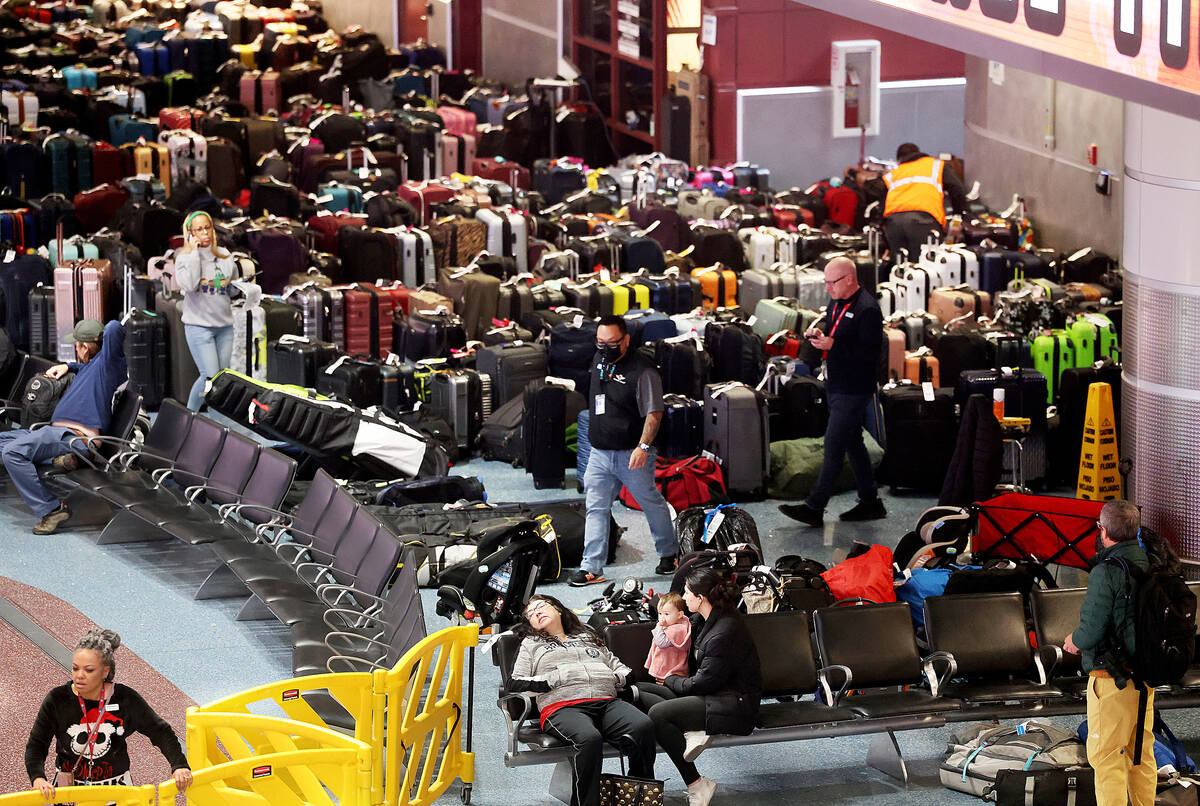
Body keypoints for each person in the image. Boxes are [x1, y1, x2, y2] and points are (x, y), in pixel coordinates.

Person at [509, 594, 656, 806]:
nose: (537, 613)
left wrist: (614, 677)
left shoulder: (588, 635)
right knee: (588, 738)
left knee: (642, 727)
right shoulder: (531, 644)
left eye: (541, 607)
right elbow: (516, 682)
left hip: (605, 701)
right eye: (531, 614)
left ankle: (637, 799)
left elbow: (623, 669)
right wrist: (553, 679)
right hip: (562, 707)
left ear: (558, 609)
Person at [635, 569, 762, 806]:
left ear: (700, 598)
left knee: (658, 714)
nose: (683, 596)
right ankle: (690, 729)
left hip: (734, 704)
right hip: (715, 694)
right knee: (641, 689)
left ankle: (696, 783)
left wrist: (671, 679)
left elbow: (704, 681)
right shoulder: (707, 618)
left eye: (687, 592)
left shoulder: (724, 631)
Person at [779, 256, 886, 526]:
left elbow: (869, 354)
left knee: (834, 445)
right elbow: (836, 328)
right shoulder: (838, 300)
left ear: (849, 279)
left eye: (832, 282)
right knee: (853, 443)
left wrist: (832, 345)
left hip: (855, 388)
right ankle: (871, 502)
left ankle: (814, 507)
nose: (828, 288)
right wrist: (820, 333)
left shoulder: (868, 309)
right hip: (836, 383)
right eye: (825, 282)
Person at [571, 315, 676, 586]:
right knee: (595, 508)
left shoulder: (643, 370)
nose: (605, 348)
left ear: (626, 340)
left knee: (650, 503)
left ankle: (669, 554)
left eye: (612, 343)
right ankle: (591, 567)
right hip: (600, 453)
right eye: (600, 342)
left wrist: (643, 447)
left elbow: (654, 413)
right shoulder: (598, 360)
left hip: (632, 454)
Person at [1063, 500, 1155, 806]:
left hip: (1110, 678)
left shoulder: (1107, 571)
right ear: (1136, 531)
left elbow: (1092, 629)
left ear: (1102, 531)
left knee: (1106, 756)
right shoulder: (1149, 560)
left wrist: (1073, 640)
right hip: (1144, 675)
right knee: (1140, 753)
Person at [26, 628, 192, 794]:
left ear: (105, 671)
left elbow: (160, 731)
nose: (79, 676)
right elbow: (37, 744)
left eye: (89, 670)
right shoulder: (57, 699)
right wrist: (38, 777)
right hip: (69, 792)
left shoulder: (125, 698)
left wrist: (179, 765)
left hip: (116, 792)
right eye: (75, 668)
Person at [1, 318, 126, 534]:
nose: (75, 350)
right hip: (53, 434)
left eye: (77, 345)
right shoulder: (89, 366)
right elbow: (81, 366)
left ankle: (51, 510)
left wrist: (96, 335)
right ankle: (61, 461)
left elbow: (115, 327)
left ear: (85, 346)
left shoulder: (108, 364)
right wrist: (67, 366)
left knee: (13, 452)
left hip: (74, 437)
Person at [175, 210, 237, 411]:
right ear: (190, 234)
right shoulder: (183, 258)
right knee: (209, 377)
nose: (205, 233)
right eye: (199, 229)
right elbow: (191, 284)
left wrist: (247, 289)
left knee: (221, 379)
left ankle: (216, 421)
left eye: (207, 227)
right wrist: (194, 254)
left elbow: (232, 288)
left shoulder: (226, 256)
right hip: (199, 327)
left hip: (224, 326)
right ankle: (189, 417)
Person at [882, 142, 968, 260]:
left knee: (900, 270)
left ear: (899, 159)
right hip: (923, 222)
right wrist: (958, 218)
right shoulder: (936, 165)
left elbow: (881, 204)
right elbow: (957, 189)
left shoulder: (893, 174)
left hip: (894, 224)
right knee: (926, 268)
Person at [646, 592, 691, 684]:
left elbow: (661, 642)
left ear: (679, 615)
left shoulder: (678, 630)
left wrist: (659, 625)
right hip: (669, 669)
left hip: (672, 671)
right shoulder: (675, 624)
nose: (662, 617)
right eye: (660, 613)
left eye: (666, 614)